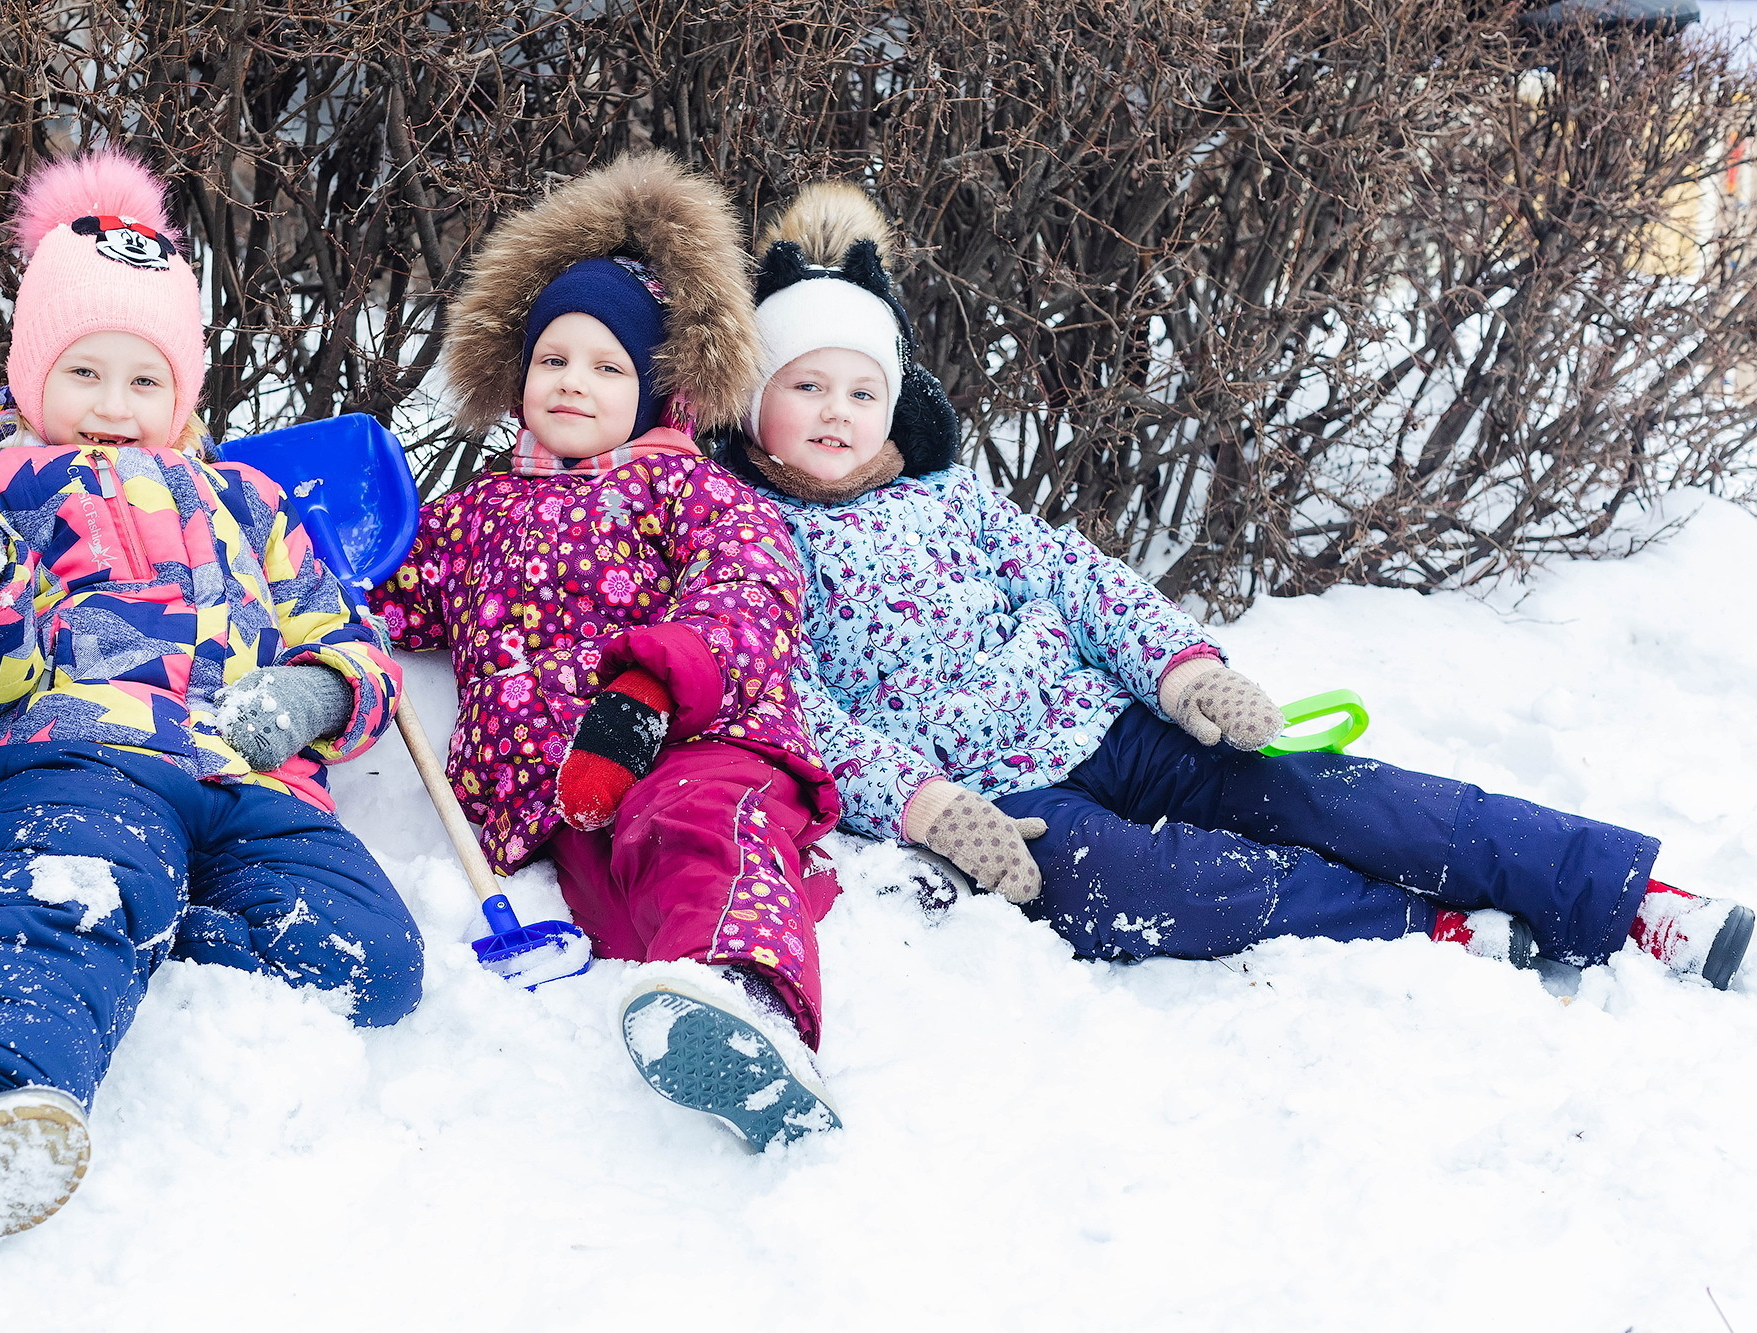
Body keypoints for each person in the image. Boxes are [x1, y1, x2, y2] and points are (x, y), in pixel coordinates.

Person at [720, 181, 1753, 993]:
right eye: (803, 384)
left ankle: (1628, 901)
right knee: (1145, 886)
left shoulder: (950, 497)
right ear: (752, 401)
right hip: (998, 799)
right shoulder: (746, 537)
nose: (836, 410)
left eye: (862, 388)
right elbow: (786, 705)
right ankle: (1422, 927)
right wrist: (920, 803)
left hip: (1111, 720)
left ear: (895, 401)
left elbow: (1082, 582)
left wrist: (1183, 671)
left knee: (1335, 794)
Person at [0, 149, 424, 1257]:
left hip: (253, 778)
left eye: (144, 379)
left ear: (186, 392)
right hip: (77, 759)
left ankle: (32, 943)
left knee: (373, 958)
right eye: (83, 374)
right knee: (79, 892)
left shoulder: (251, 499)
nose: (112, 406)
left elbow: (347, 637)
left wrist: (311, 693)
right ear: (28, 377)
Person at [368, 153, 843, 1151]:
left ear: (658, 387)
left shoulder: (684, 490)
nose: (573, 383)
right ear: (518, 374)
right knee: (630, 910)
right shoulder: (471, 518)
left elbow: (751, 590)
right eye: (553, 360)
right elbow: (387, 602)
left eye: (607, 366)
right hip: (565, 804)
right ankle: (719, 963)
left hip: (691, 744)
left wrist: (644, 690)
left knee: (698, 832)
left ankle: (750, 1011)